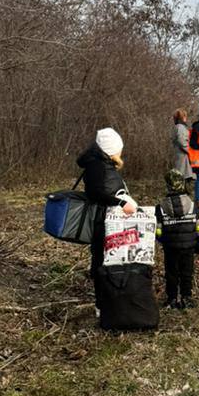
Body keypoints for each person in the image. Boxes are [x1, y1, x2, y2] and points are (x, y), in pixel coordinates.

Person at [76, 128, 138, 312]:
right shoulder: (96, 165)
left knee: (107, 259)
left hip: (109, 219)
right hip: (101, 221)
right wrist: (120, 202)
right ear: (111, 149)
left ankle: (109, 299)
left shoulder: (102, 162)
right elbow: (95, 193)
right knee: (101, 260)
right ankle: (101, 305)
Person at [155, 168, 199, 309]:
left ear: (168, 185)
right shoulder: (192, 205)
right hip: (189, 246)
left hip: (170, 247)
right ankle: (186, 297)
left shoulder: (161, 208)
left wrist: (162, 240)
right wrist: (198, 242)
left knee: (171, 273)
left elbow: (158, 229)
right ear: (182, 184)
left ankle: (171, 299)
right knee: (187, 272)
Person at [171, 108, 193, 179]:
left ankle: (180, 189)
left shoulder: (177, 126)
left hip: (179, 154)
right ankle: (177, 190)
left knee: (179, 175)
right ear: (182, 117)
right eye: (185, 116)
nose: (186, 118)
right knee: (180, 176)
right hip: (182, 155)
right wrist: (190, 150)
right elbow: (181, 141)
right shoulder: (180, 127)